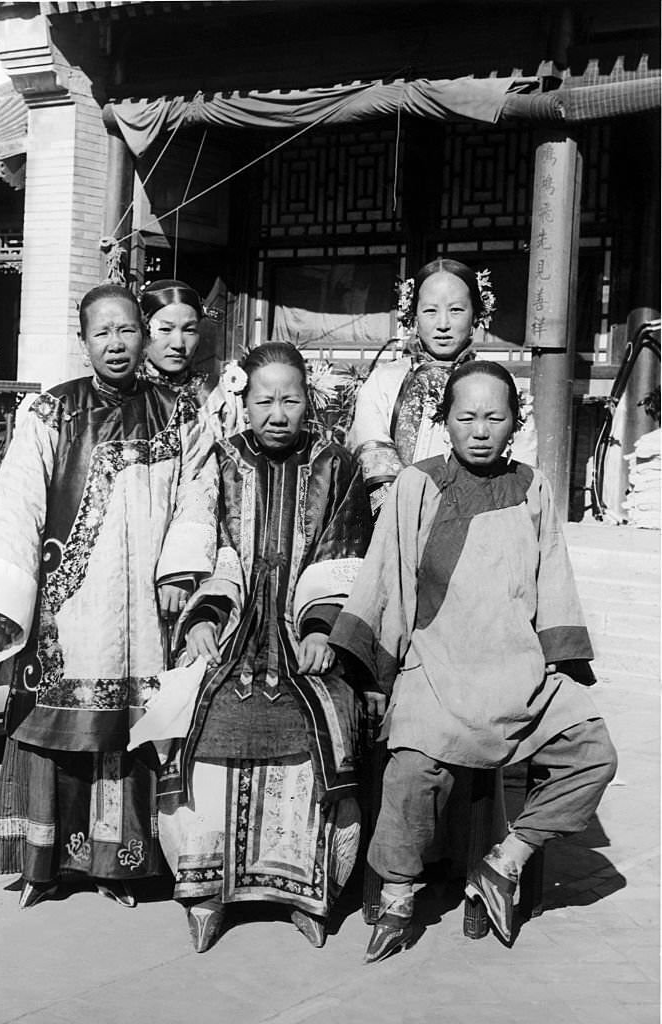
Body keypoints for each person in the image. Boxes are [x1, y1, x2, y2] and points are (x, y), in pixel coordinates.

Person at [0, 283, 217, 909]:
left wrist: (181, 569)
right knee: (54, 724)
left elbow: (199, 494)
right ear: (84, 340)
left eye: (126, 330)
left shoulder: (179, 415)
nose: (116, 344)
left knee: (131, 729)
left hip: (147, 601)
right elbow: (16, 504)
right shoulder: (50, 413)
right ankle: (43, 866)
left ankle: (118, 868)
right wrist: (6, 597)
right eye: (102, 333)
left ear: (143, 333)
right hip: (70, 603)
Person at [330, 360, 617, 962]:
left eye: (495, 416)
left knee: (593, 755)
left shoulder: (533, 485)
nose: (481, 429)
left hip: (519, 670)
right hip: (438, 668)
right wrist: (382, 675)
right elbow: (388, 581)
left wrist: (559, 664)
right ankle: (400, 896)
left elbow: (554, 579)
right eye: (467, 417)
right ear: (447, 422)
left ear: (515, 423)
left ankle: (502, 863)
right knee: (411, 776)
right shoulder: (418, 484)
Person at [156, 341, 373, 952]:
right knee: (205, 715)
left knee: (323, 721)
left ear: (310, 403)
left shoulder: (339, 466)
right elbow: (209, 545)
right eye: (264, 400)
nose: (277, 412)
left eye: (290, 399)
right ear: (243, 404)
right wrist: (203, 614)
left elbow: (344, 554)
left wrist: (322, 627)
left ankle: (305, 891)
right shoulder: (219, 464)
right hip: (234, 626)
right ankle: (206, 890)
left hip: (304, 630)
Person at [348, 258, 536, 518]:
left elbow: (522, 464)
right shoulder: (385, 381)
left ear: (477, 314)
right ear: (413, 315)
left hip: (482, 518)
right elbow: (373, 456)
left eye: (456, 310)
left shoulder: (500, 385)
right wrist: (400, 520)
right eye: (430, 311)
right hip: (395, 518)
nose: (443, 324)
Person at [139, 278, 243, 439]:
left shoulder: (217, 395)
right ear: (144, 330)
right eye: (165, 329)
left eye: (189, 330)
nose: (178, 344)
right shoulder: (126, 394)